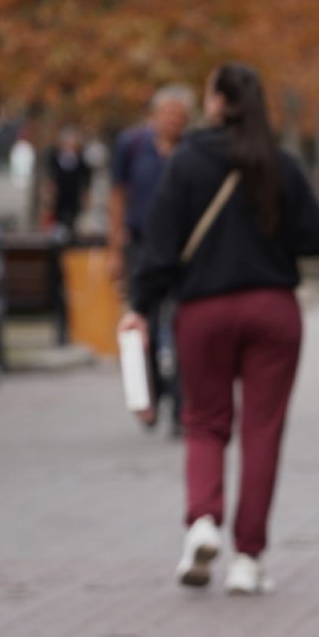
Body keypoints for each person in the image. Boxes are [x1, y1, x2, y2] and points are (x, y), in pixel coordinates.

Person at [119, 63, 319, 594]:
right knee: (262, 429)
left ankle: (202, 522)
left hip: (203, 310)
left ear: (214, 102)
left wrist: (140, 304)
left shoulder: (187, 161)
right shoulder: (278, 162)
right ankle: (248, 558)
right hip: (272, 309)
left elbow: (160, 243)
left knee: (205, 421)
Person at [110, 85, 193, 433]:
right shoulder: (131, 146)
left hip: (185, 250)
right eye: (167, 113)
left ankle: (181, 406)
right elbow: (117, 196)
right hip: (141, 246)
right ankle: (144, 396)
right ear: (154, 115)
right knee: (138, 323)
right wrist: (114, 248)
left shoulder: (192, 151)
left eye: (180, 115)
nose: (172, 121)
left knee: (183, 325)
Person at [45, 126, 91, 235]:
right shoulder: (54, 158)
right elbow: (50, 176)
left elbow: (85, 179)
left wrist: (85, 195)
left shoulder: (81, 161)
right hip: (59, 198)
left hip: (73, 197)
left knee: (72, 222)